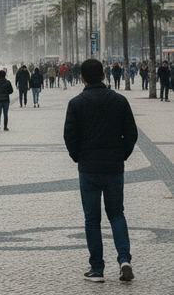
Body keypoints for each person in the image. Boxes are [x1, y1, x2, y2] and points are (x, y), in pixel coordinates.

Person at [63, 59, 137, 283]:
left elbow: (70, 137)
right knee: (117, 214)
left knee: (92, 219)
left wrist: (79, 157)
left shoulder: (76, 103)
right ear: (104, 76)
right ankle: (124, 260)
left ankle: (97, 269)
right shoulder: (120, 101)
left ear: (82, 78)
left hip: (89, 169)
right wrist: (120, 155)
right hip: (114, 167)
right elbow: (131, 133)